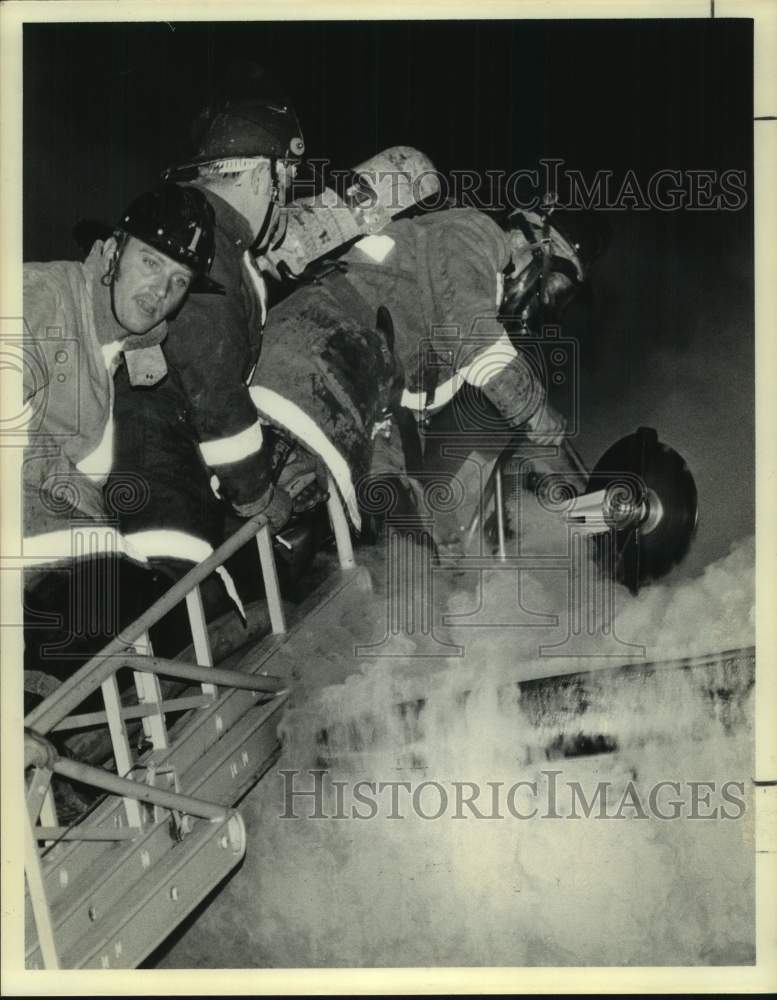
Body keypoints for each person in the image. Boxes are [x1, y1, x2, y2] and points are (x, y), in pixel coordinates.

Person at [247, 199, 610, 546]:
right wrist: (533, 408)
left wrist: (414, 516)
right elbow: (473, 335)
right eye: (557, 284)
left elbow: (394, 423)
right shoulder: (472, 234)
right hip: (308, 365)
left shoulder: (438, 331)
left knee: (391, 542)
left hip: (337, 393)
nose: (549, 300)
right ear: (528, 239)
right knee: (268, 516)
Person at [109, 81, 311, 588]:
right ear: (266, 174)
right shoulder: (204, 240)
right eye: (286, 178)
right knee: (169, 622)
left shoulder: (211, 234)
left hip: (161, 463)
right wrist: (259, 495)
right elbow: (215, 391)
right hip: (154, 474)